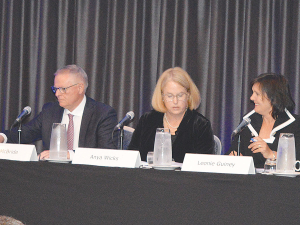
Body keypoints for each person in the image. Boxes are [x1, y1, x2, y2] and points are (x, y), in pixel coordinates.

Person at [0, 65, 118, 159]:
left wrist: (69, 154)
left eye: (63, 89)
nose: (57, 94)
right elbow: (25, 133)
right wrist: (3, 137)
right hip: (53, 174)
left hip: (87, 176)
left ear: (80, 88)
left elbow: (106, 152)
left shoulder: (102, 113)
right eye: (55, 89)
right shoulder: (50, 111)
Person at [128, 67, 214, 162]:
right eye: (170, 96)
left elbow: (204, 166)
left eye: (180, 95)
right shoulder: (147, 120)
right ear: (162, 97)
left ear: (188, 95)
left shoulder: (200, 125)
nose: (175, 101)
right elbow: (132, 158)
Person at [228, 73, 300, 168]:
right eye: (252, 93)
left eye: (257, 94)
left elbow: (297, 161)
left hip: (281, 182)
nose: (251, 98)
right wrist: (232, 159)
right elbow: (232, 152)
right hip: (248, 181)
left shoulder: (295, 124)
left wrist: (271, 154)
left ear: (273, 97)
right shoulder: (248, 121)